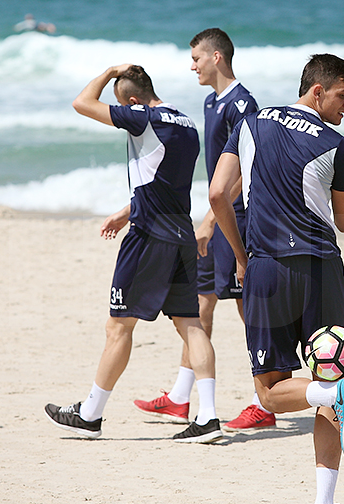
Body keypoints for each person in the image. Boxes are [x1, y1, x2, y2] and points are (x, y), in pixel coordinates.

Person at [209, 53, 344, 504]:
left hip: (268, 269)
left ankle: (334, 393)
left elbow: (216, 195)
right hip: (323, 270)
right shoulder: (337, 145)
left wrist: (243, 258)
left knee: (269, 395)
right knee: (330, 381)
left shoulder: (249, 121)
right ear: (316, 91)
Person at [45, 64, 223, 444]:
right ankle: (207, 417)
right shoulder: (187, 121)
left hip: (149, 238)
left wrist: (109, 71)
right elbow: (164, 178)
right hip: (180, 232)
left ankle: (90, 414)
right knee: (190, 325)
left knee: (119, 326)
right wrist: (128, 210)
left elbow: (81, 103)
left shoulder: (142, 115)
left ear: (130, 101)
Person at [132, 28, 275, 432]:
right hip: (216, 217)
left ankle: (262, 401)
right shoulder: (212, 100)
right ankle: (180, 398)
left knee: (250, 311)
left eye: (196, 57)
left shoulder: (243, 103)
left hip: (240, 219)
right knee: (201, 306)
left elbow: (249, 168)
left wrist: (212, 220)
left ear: (217, 57)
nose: (191, 64)